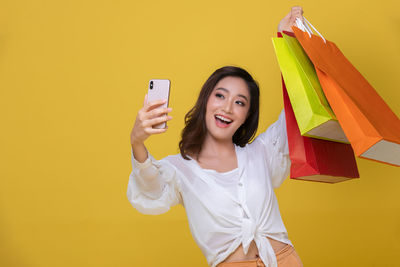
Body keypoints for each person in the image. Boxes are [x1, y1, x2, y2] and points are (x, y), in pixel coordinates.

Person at [128, 6, 305, 267]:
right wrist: (137, 141)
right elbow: (149, 187)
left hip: (286, 260)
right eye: (220, 95)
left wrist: (288, 42)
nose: (227, 108)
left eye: (240, 102)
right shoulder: (179, 170)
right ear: (206, 101)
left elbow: (298, 108)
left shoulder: (263, 152)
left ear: (247, 115)